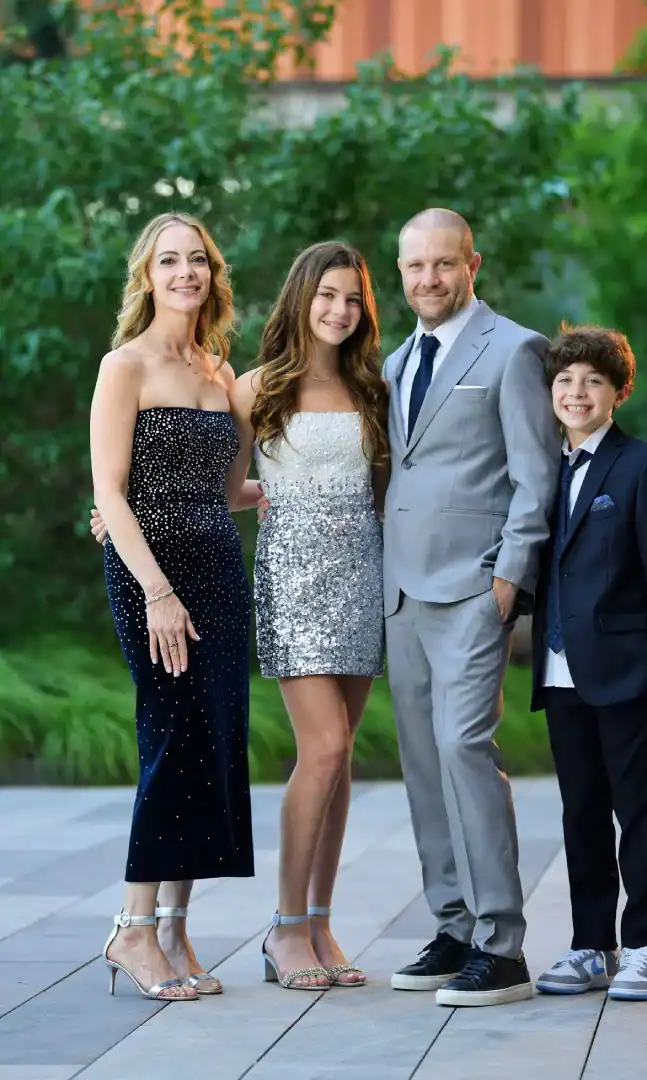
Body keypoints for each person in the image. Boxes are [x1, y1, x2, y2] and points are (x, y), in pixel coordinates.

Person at [383, 208, 560, 1008]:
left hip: (473, 589)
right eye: (416, 266)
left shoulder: (515, 349)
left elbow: (536, 473)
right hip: (401, 592)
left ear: (472, 265)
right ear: (401, 272)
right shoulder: (395, 362)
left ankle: (501, 944)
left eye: (444, 264)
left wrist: (509, 576)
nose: (430, 279)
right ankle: (453, 927)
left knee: (463, 746)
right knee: (424, 762)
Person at [90, 212, 258, 1001]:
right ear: (147, 276)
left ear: (213, 275)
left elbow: (228, 492)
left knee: (210, 743)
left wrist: (303, 492)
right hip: (151, 578)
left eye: (198, 259)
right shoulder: (123, 365)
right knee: (170, 737)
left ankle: (172, 928)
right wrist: (157, 592)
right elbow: (109, 491)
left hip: (219, 572)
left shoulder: (221, 372)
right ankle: (132, 929)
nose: (186, 272)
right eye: (169, 261)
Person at [227, 241, 388, 991]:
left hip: (363, 577)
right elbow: (224, 490)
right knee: (322, 748)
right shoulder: (254, 388)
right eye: (327, 295)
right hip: (292, 580)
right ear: (301, 297)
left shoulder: (374, 389)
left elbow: (387, 491)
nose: (339, 310)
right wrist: (121, 510)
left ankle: (321, 922)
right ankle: (285, 928)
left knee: (341, 755)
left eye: (353, 299)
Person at [530, 324, 647, 1002]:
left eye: (593, 381)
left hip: (628, 668)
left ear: (618, 392)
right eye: (565, 380)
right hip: (559, 669)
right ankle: (592, 945)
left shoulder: (644, 465)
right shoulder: (543, 468)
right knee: (582, 813)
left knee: (640, 813)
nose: (576, 392)